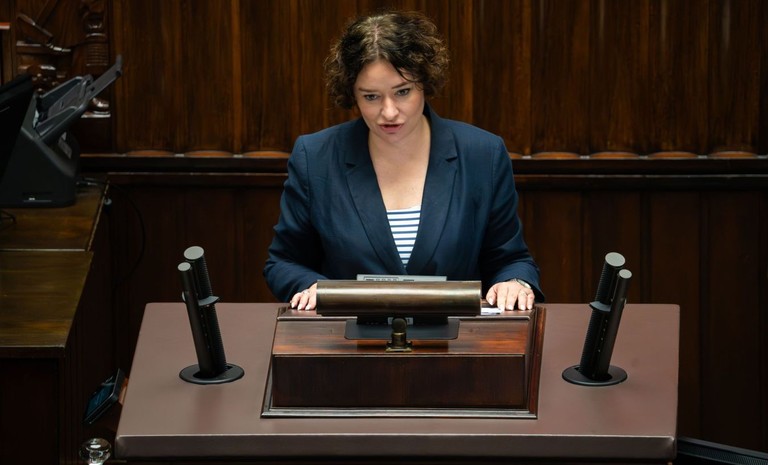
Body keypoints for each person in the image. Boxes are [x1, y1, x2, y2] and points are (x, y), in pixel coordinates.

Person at [264, 10, 543, 312]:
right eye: (371, 97)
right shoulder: (316, 156)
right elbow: (284, 261)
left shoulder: (482, 153)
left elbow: (511, 259)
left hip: (457, 336)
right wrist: (312, 286)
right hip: (346, 335)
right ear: (352, 93)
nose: (389, 112)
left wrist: (514, 282)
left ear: (425, 81)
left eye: (402, 92)